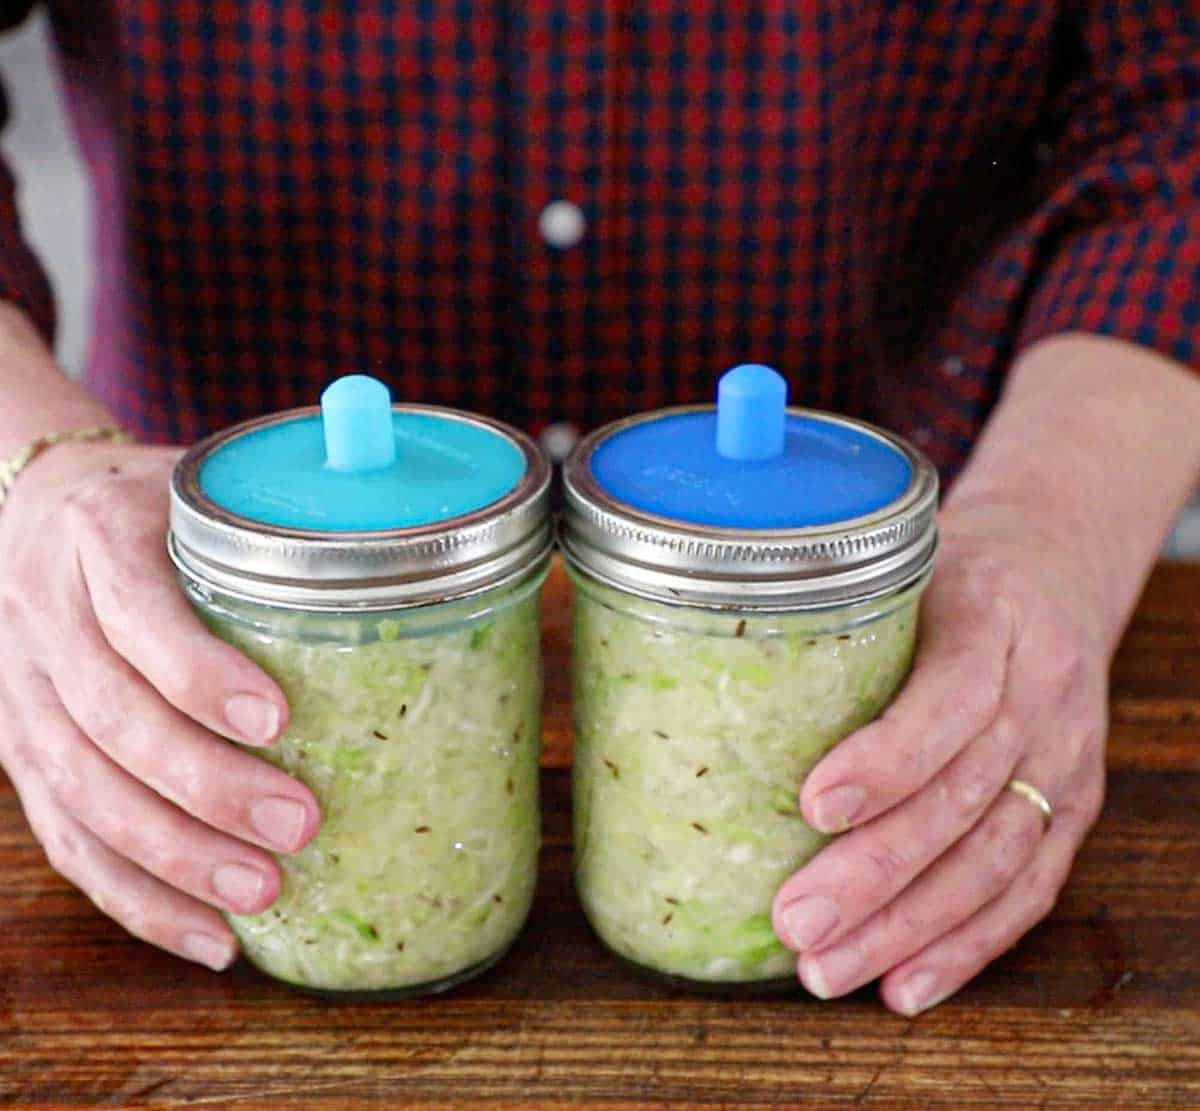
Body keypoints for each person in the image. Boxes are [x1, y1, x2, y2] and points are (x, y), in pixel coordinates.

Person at [0, 2, 1197, 1017]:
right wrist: (35, 465)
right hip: (199, 571)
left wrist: (1053, 534)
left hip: (929, 562)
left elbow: (1176, 99)